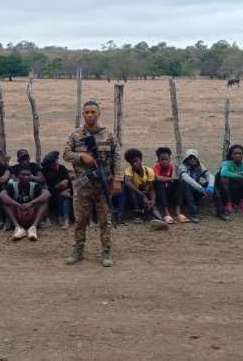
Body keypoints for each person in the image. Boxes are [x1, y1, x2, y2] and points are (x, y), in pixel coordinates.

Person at [63, 99, 124, 267]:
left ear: (98, 114)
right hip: (83, 184)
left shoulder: (109, 134)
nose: (90, 116)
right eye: (87, 112)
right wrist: (81, 156)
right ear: (83, 114)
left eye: (93, 113)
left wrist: (118, 180)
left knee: (105, 219)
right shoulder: (76, 135)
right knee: (80, 219)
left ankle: (106, 251)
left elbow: (118, 158)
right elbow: (66, 154)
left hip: (104, 183)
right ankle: (78, 250)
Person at [0, 165, 51, 241]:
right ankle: (18, 228)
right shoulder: (12, 186)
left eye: (28, 175)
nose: (26, 177)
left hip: (32, 215)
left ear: (31, 176)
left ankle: (33, 228)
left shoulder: (35, 185)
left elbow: (47, 194)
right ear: (18, 176)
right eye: (23, 175)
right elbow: (1, 195)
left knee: (44, 200)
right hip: (18, 215)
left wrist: (30, 203)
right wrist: (18, 205)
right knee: (6, 202)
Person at [177, 149, 216, 223]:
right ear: (186, 159)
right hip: (184, 194)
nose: (192, 160)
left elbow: (209, 175)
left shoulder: (200, 166)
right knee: (184, 182)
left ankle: (220, 210)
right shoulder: (182, 166)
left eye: (194, 158)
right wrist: (200, 188)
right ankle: (193, 212)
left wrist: (210, 187)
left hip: (195, 192)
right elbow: (186, 177)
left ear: (197, 159)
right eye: (190, 158)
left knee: (213, 182)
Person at [153, 147, 189, 224]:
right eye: (162, 160)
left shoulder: (170, 167)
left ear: (169, 160)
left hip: (167, 190)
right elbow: (158, 178)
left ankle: (178, 211)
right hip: (159, 192)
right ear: (158, 161)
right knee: (160, 184)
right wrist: (171, 179)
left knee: (179, 181)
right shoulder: (156, 167)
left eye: (166, 159)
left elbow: (170, 179)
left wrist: (172, 180)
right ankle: (166, 213)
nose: (164, 162)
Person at [121, 148, 157, 223]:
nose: (134, 164)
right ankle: (137, 212)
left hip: (147, 195)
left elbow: (151, 189)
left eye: (136, 161)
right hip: (137, 195)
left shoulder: (148, 171)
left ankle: (151, 211)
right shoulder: (129, 171)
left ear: (140, 160)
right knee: (130, 189)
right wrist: (142, 196)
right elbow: (127, 182)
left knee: (150, 204)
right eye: (131, 163)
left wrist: (153, 200)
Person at [40, 151, 73, 230]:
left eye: (57, 163)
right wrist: (55, 187)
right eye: (54, 165)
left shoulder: (62, 168)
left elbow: (68, 180)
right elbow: (45, 184)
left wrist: (66, 181)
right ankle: (47, 216)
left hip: (62, 192)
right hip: (51, 194)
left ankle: (60, 215)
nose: (57, 166)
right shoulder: (44, 172)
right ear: (49, 166)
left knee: (62, 192)